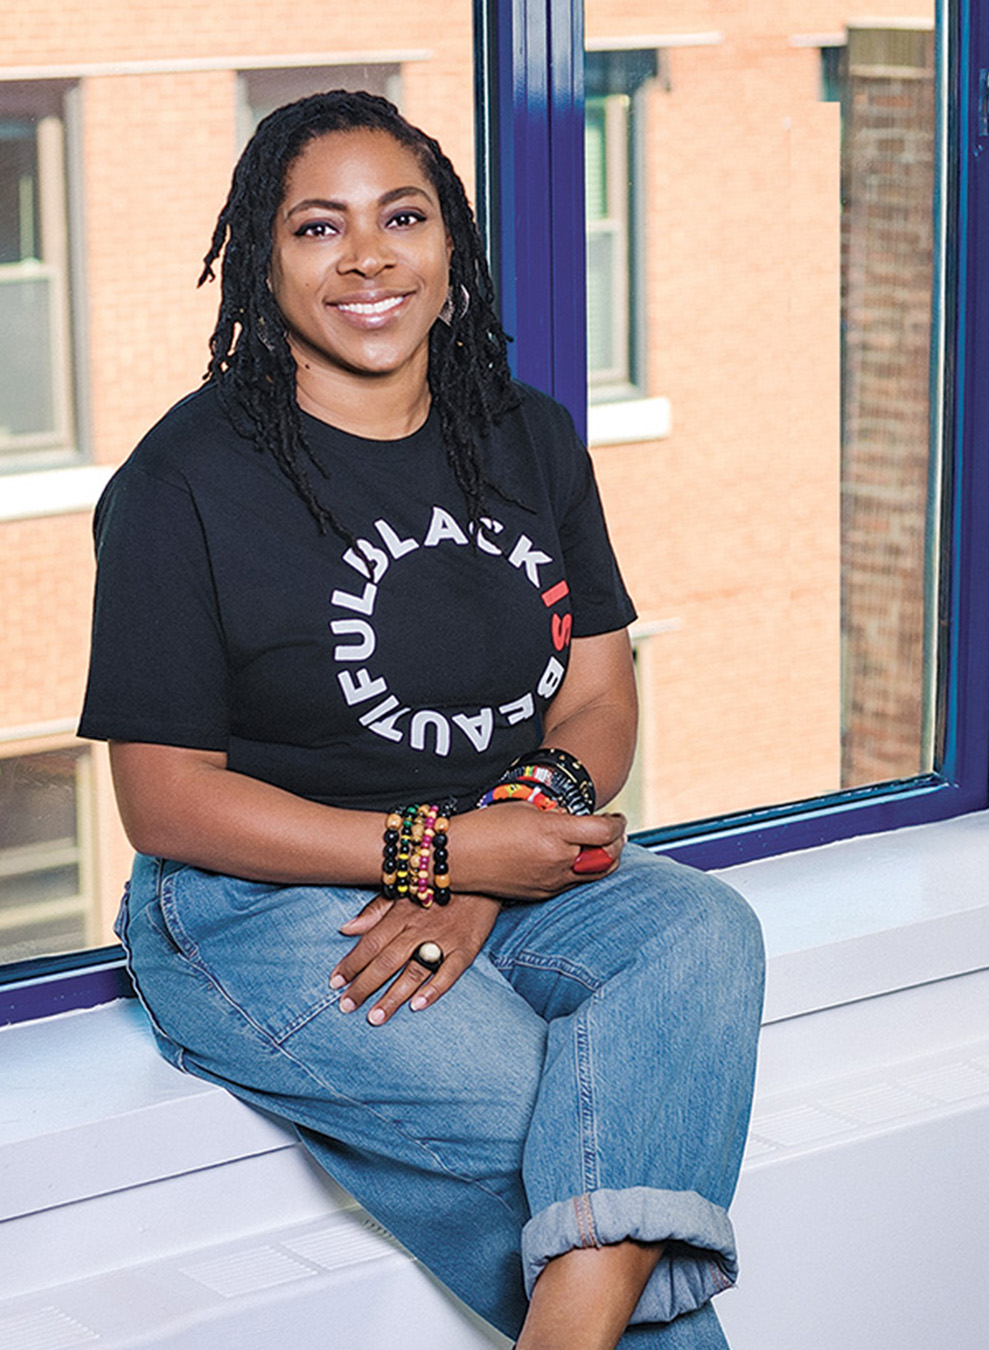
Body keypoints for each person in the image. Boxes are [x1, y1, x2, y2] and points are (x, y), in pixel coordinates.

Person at [78, 90, 764, 1350]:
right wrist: (435, 857)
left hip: (496, 848)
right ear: (260, 262)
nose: (369, 258)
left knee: (700, 927)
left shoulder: (525, 433)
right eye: (317, 228)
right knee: (551, 1148)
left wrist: (493, 857)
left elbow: (600, 694)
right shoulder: (182, 484)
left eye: (403, 215)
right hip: (259, 899)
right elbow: (165, 799)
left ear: (451, 239)